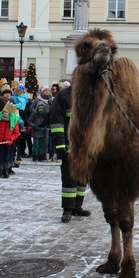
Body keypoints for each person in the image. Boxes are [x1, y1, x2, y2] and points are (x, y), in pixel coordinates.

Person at [49, 83, 91, 223]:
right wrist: (60, 146)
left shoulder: (89, 95)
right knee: (69, 178)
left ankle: (77, 206)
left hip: (86, 147)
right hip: (69, 146)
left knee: (82, 178)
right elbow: (56, 122)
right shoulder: (63, 96)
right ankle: (67, 209)